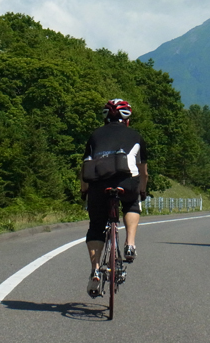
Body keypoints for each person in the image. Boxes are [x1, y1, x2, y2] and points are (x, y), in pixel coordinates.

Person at [79, 99, 148, 298]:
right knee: (132, 204)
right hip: (127, 183)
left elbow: (85, 166)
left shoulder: (95, 135)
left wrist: (85, 190)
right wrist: (142, 189)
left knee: (96, 226)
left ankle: (96, 269)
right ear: (127, 118)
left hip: (99, 185)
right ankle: (130, 244)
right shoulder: (136, 135)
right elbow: (143, 170)